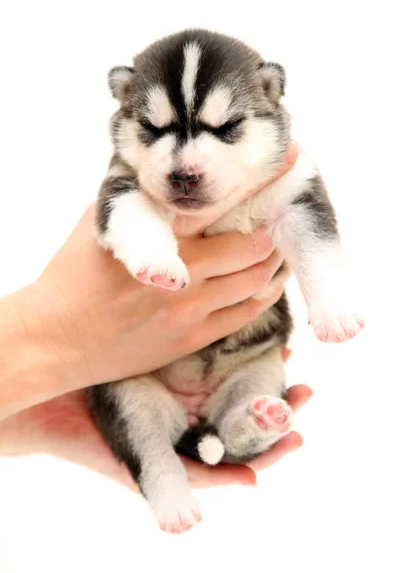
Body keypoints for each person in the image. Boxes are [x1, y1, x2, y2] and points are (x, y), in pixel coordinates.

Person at [0, 144, 312, 489]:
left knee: (249, 406)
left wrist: (30, 406)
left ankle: (241, 430)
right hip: (153, 376)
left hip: (236, 362)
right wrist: (57, 332)